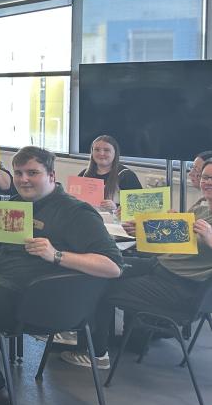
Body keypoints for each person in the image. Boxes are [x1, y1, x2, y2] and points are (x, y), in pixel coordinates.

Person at [0, 146, 123, 405]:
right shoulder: (17, 205)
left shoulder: (76, 212)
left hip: (39, 299)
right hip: (6, 280)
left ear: (52, 175)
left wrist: (56, 255)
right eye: (19, 173)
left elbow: (113, 266)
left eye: (33, 173)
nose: (23, 179)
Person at [64, 158, 212, 369]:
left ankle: (96, 354)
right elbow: (175, 244)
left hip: (180, 288)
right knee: (104, 266)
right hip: (161, 267)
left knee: (99, 286)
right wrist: (145, 230)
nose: (207, 182)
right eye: (205, 177)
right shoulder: (202, 208)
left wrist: (210, 237)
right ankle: (79, 330)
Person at [77, 135, 143, 212]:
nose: (101, 153)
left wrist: (116, 207)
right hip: (89, 219)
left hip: (116, 222)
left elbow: (139, 208)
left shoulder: (126, 175)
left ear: (115, 153)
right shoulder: (84, 174)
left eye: (106, 150)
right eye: (97, 150)